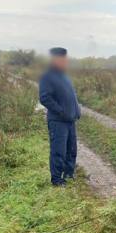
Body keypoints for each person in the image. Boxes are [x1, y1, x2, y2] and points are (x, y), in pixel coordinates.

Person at [38, 47, 81, 186]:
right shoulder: (47, 76)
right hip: (58, 121)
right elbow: (45, 98)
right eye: (62, 59)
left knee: (71, 149)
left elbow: (71, 95)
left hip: (70, 120)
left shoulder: (64, 76)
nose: (65, 61)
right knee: (59, 151)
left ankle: (68, 174)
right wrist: (61, 111)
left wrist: (77, 110)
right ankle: (57, 179)